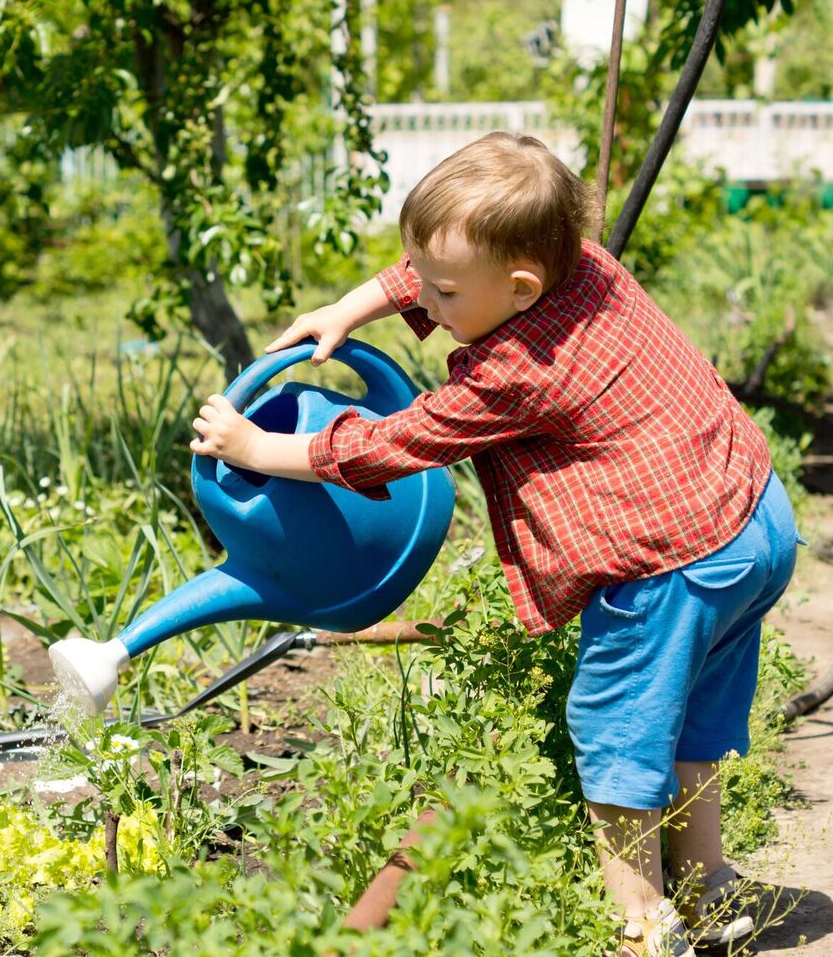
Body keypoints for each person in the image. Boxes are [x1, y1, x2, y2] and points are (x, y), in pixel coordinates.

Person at [188, 131, 801, 957]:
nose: (424, 303)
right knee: (694, 708)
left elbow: (398, 442)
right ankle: (708, 882)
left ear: (520, 288)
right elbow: (443, 266)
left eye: (441, 293)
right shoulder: (587, 266)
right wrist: (347, 310)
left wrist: (257, 448)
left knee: (618, 726)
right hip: (753, 517)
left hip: (673, 565)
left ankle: (643, 924)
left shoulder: (516, 371)